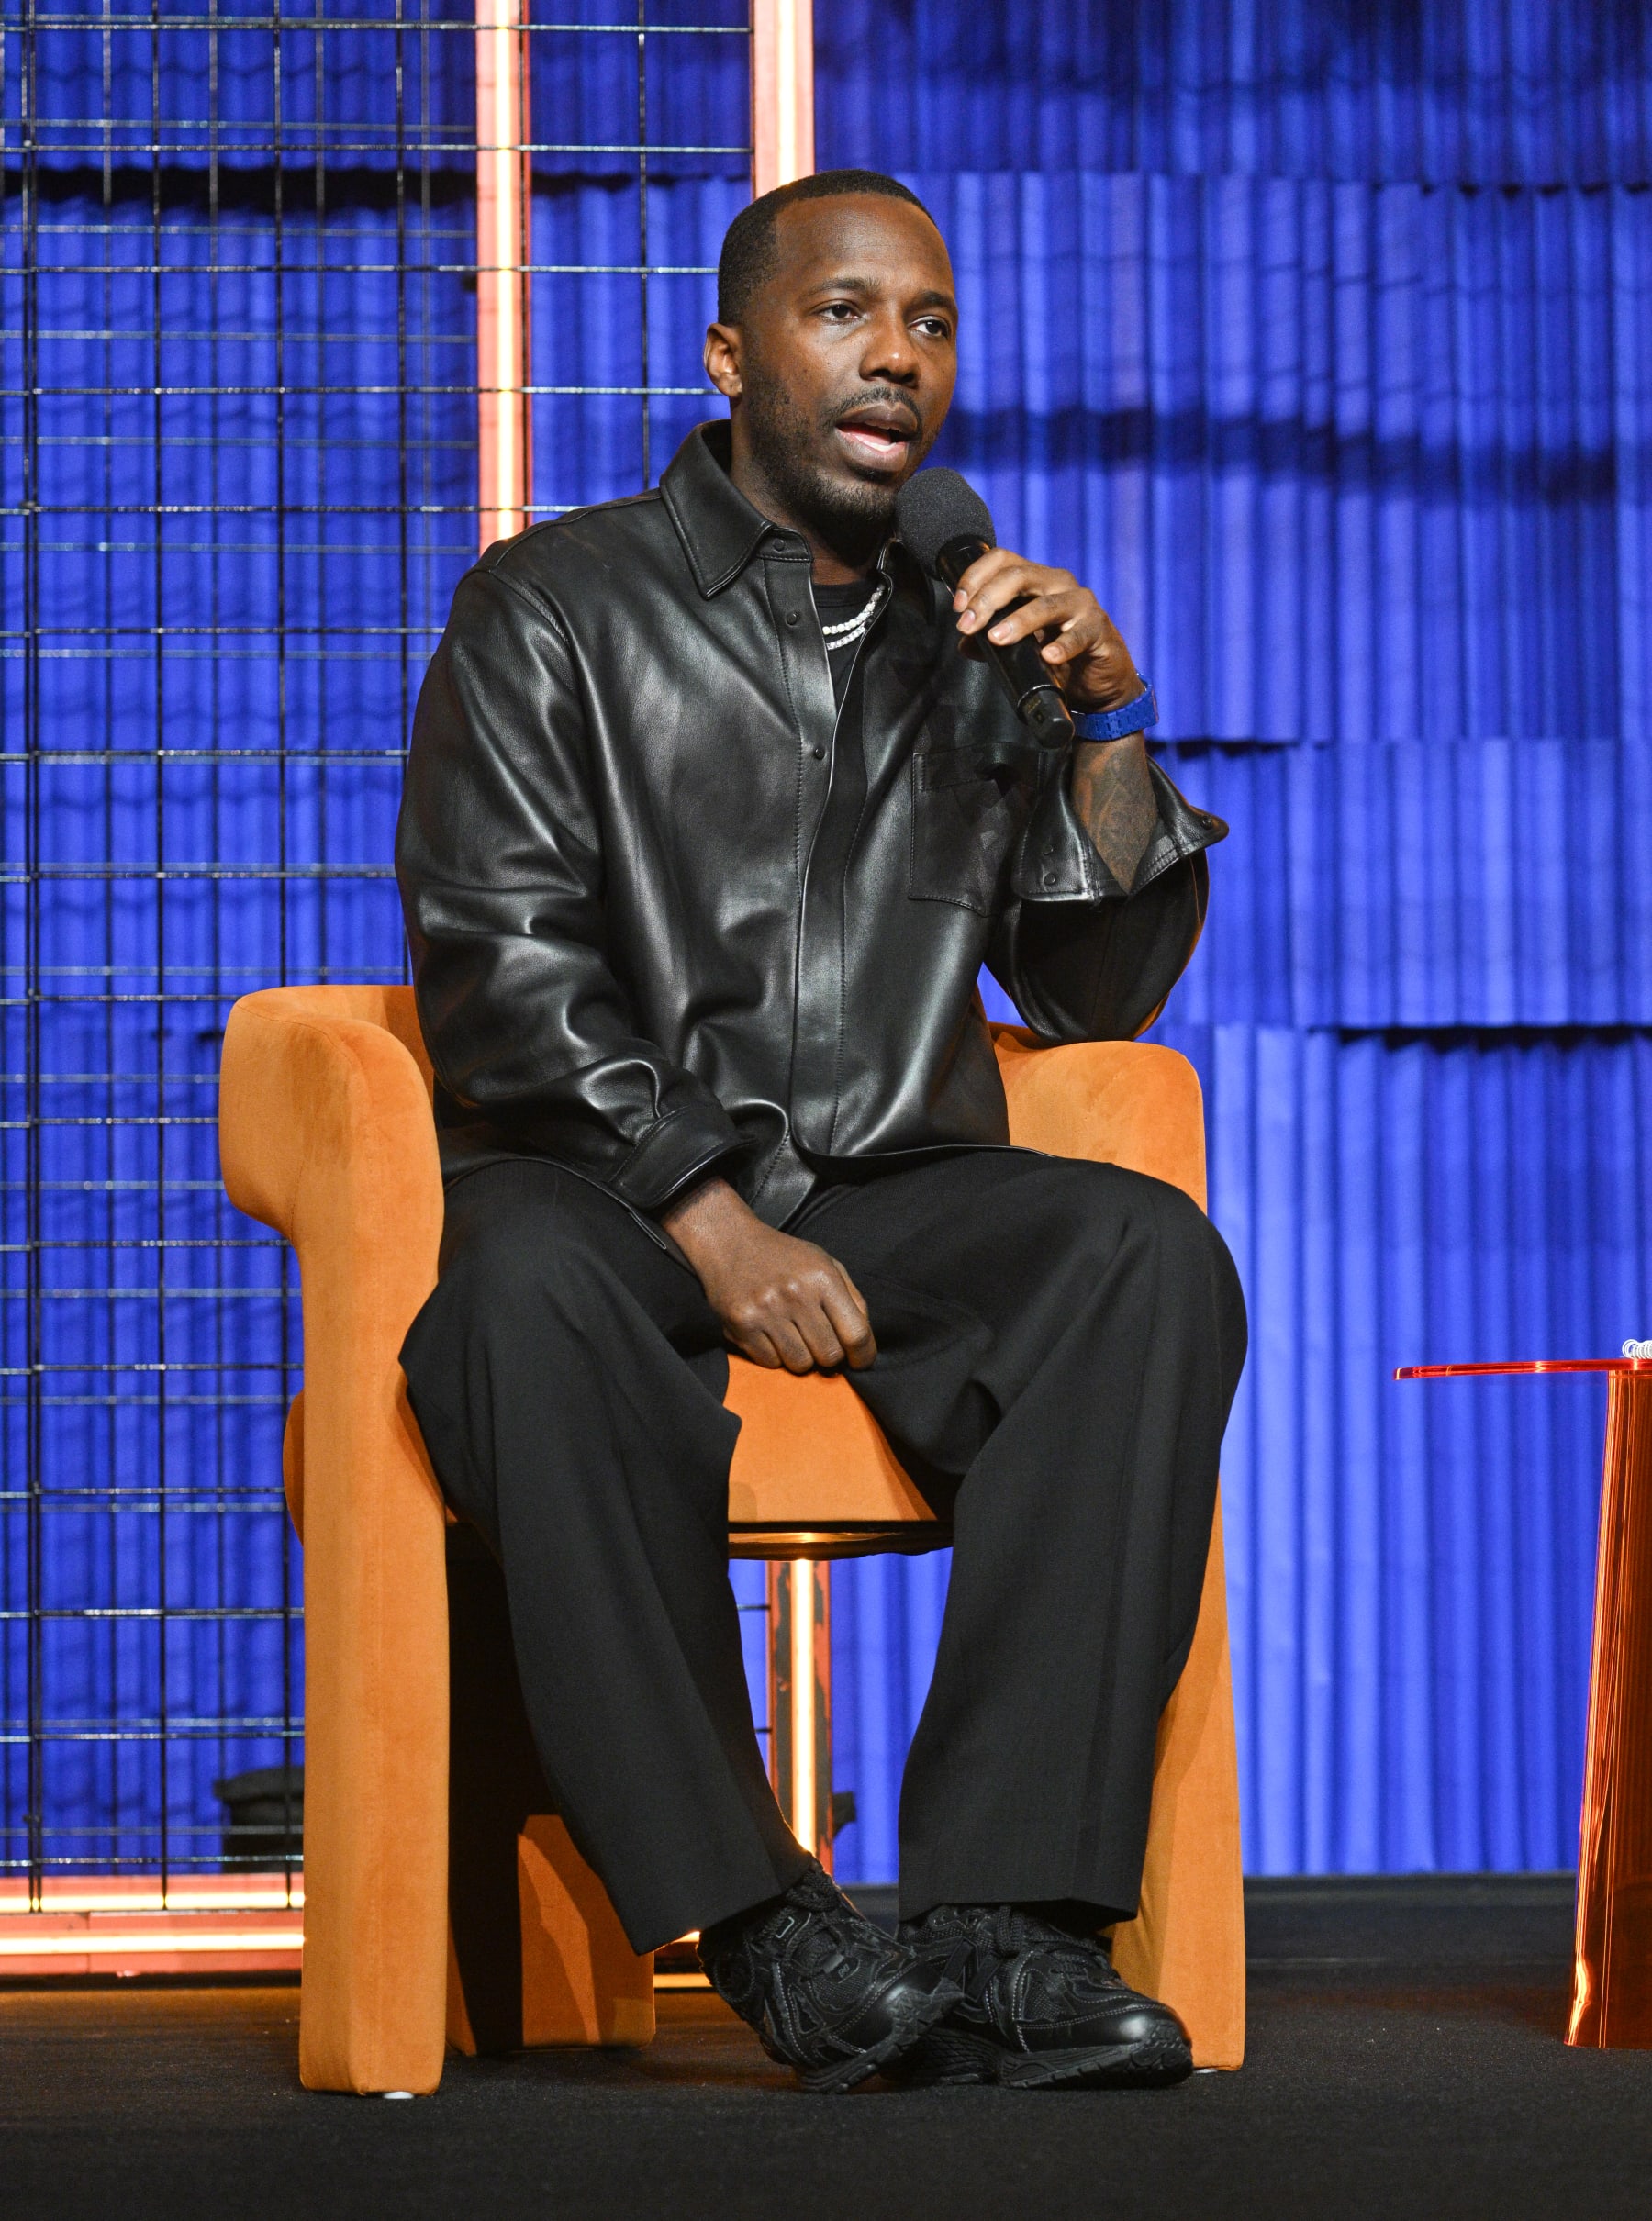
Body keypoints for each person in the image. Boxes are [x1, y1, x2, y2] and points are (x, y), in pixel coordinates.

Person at [396, 168, 1246, 2095]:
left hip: (892, 1178)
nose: (899, 358)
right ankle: (761, 1920)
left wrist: (1106, 725)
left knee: (1144, 1257)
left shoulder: (983, 641)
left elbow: (1099, 996)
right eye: (847, 312)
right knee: (521, 1293)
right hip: (603, 1185)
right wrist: (705, 1215)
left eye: (932, 322)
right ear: (731, 353)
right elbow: (503, 967)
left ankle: (1009, 1927)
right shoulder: (552, 604)